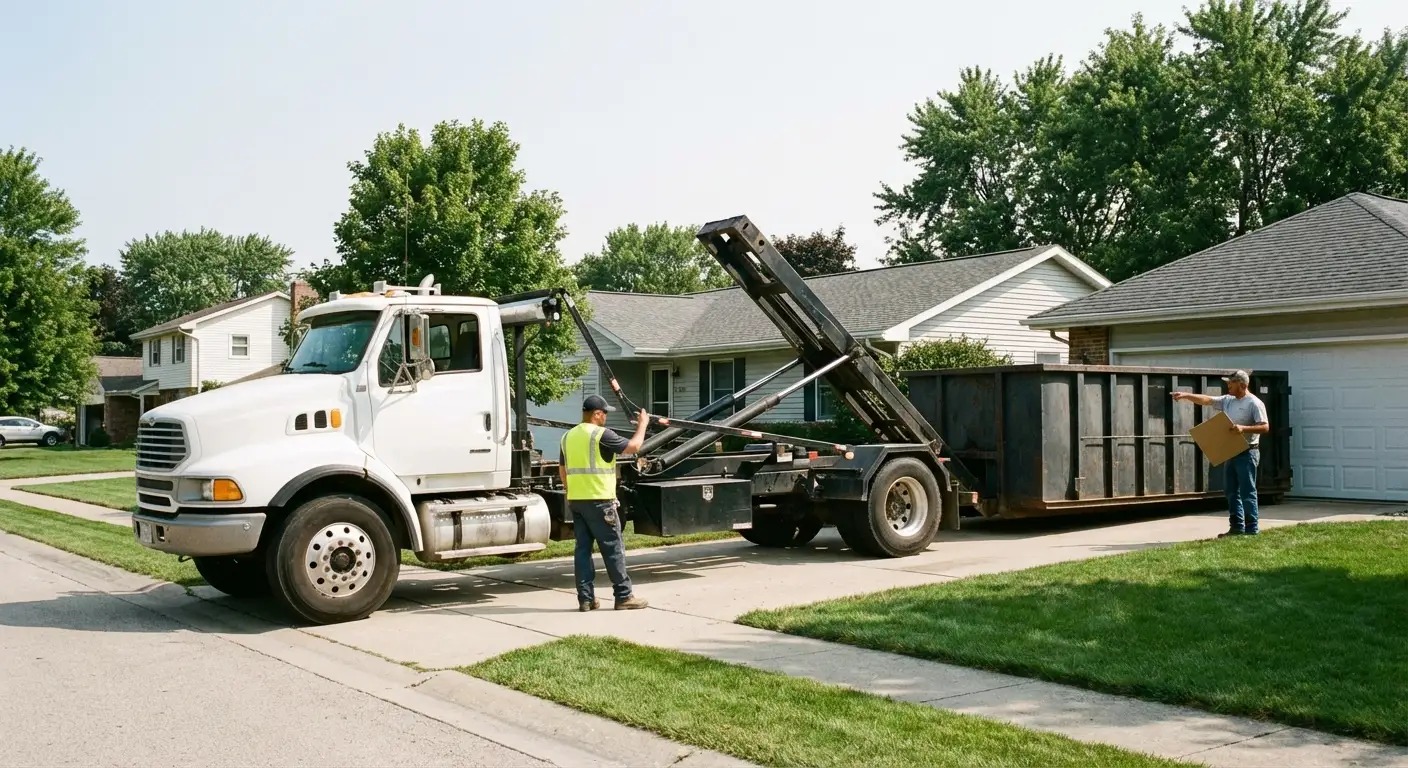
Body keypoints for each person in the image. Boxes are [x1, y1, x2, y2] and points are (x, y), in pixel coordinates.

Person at [558, 394, 650, 611]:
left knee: (582, 551)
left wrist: (571, 492)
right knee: (613, 548)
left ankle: (586, 599)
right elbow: (634, 446)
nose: (606, 417)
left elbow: (562, 469)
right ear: (597, 414)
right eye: (605, 413)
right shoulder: (601, 434)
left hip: (577, 501)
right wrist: (643, 425)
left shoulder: (567, 437)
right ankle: (624, 596)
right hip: (600, 501)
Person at [1172, 370, 1270, 536]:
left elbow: (1265, 427)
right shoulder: (1228, 400)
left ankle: (1252, 528)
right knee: (1231, 491)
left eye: (1231, 383)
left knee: (1247, 491)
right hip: (1230, 451)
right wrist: (1186, 395)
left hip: (1247, 453)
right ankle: (1237, 527)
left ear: (1242, 385)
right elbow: (1207, 400)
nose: (1228, 385)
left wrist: (1243, 428)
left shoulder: (1254, 403)